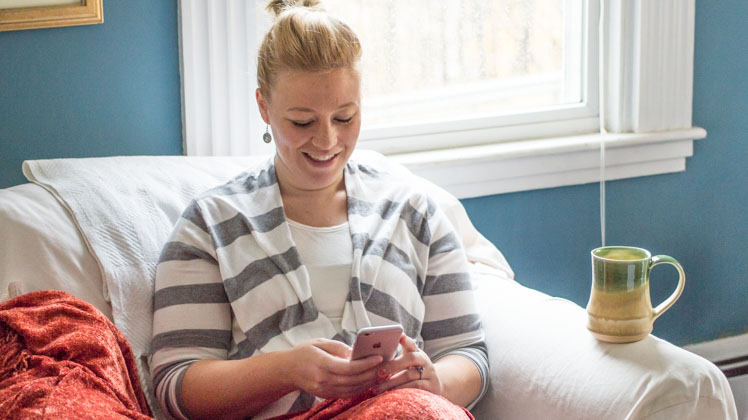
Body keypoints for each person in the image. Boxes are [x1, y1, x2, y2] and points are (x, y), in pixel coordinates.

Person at [150, 1, 488, 418]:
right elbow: (174, 385)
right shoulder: (211, 225)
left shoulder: (414, 212)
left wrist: (434, 381)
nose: (327, 141)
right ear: (263, 106)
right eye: (302, 122)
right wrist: (285, 371)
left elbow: (468, 352)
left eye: (344, 117)